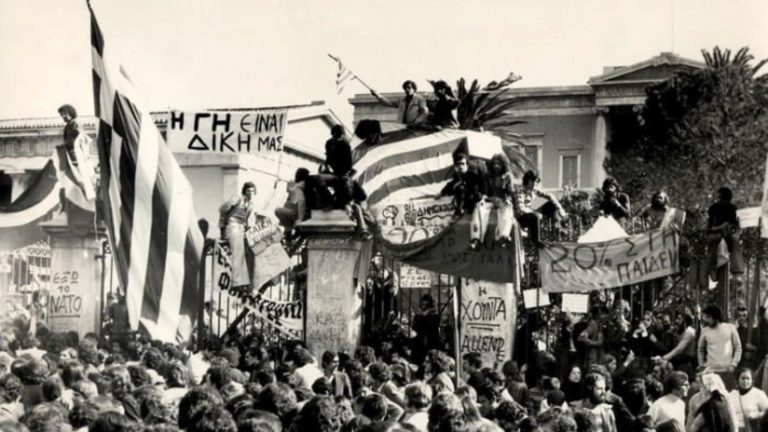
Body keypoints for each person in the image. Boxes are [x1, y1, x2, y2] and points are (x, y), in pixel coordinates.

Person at [469, 153, 517, 250]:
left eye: (499, 164)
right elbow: (486, 191)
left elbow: (510, 191)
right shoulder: (488, 176)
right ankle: (476, 239)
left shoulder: (507, 176)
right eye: (494, 164)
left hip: (502, 200)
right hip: (490, 200)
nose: (496, 166)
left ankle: (503, 236)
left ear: (503, 165)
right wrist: (484, 197)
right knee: (478, 207)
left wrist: (507, 198)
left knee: (507, 209)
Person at [218, 182, 257, 288]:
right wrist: (222, 224)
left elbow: (250, 221)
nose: (251, 193)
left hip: (242, 228)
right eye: (249, 191)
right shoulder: (238, 198)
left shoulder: (250, 204)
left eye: (253, 191)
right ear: (245, 191)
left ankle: (248, 282)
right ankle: (238, 282)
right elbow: (223, 209)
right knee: (238, 252)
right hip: (233, 225)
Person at [515, 170, 566, 247]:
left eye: (536, 182)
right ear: (529, 181)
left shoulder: (534, 190)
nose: (536, 184)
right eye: (534, 182)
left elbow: (550, 196)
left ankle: (554, 232)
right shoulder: (520, 191)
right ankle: (536, 241)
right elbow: (520, 208)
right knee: (534, 217)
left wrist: (560, 209)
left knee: (550, 204)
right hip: (522, 217)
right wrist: (534, 212)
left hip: (532, 211)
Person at [698, 304, 743, 389]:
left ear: (715, 317)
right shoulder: (704, 330)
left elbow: (738, 348)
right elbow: (700, 349)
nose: (705, 320)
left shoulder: (731, 328)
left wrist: (733, 365)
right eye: (705, 317)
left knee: (729, 396)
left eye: (708, 317)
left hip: (727, 371)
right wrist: (701, 365)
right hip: (710, 371)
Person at [707, 187, 744, 278]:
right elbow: (710, 227)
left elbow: (736, 227)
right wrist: (721, 226)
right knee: (713, 240)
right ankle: (713, 269)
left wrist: (731, 228)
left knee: (735, 240)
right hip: (716, 233)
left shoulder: (733, 208)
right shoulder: (713, 208)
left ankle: (736, 271)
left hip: (729, 234)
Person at [437, 153, 485, 217]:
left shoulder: (473, 174)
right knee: (459, 188)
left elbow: (480, 187)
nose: (461, 166)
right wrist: (441, 193)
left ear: (467, 164)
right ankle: (459, 211)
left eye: (462, 164)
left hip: (476, 198)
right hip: (467, 197)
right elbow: (451, 184)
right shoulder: (458, 175)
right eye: (458, 164)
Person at [728, 368, 768, 432]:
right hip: (734, 428)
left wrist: (756, 415)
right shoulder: (732, 394)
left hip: (752, 428)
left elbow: (766, 412)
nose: (745, 381)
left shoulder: (758, 394)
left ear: (752, 380)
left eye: (748, 378)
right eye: (743, 378)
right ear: (737, 380)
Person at [275, 167, 309, 235]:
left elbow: (301, 202)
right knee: (287, 204)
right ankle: (288, 230)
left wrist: (300, 219)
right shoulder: (306, 185)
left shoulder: (300, 186)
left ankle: (289, 229)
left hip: (302, 214)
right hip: (305, 213)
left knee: (278, 210)